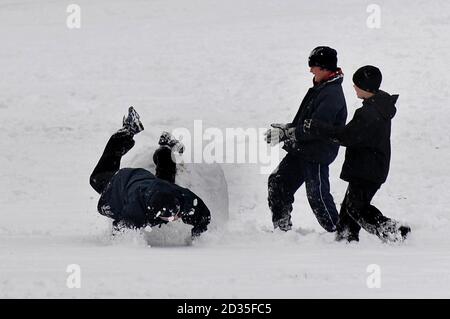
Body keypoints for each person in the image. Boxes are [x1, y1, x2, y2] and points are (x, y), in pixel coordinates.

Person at [303, 65, 411, 242]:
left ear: (366, 88)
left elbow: (346, 137)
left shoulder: (369, 114)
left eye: (357, 84)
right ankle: (346, 238)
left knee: (356, 207)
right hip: (370, 167)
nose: (354, 87)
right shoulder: (379, 105)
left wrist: (317, 127)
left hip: (367, 169)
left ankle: (394, 231)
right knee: (349, 207)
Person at [89, 107, 211, 238]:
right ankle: (137, 135)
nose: (175, 218)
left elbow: (203, 214)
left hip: (150, 184)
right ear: (153, 212)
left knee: (165, 182)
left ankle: (159, 145)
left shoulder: (180, 197)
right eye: (170, 219)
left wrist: (197, 233)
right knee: (96, 179)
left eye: (177, 214)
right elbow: (119, 230)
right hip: (121, 181)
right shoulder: (136, 211)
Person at [265, 46, 347, 232]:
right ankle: (282, 228)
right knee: (278, 182)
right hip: (301, 149)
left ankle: (339, 232)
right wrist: (289, 128)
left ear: (324, 68)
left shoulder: (332, 94)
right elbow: (306, 120)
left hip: (317, 153)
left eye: (313, 66)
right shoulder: (321, 87)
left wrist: (288, 134)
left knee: (317, 195)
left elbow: (315, 128)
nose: (310, 70)